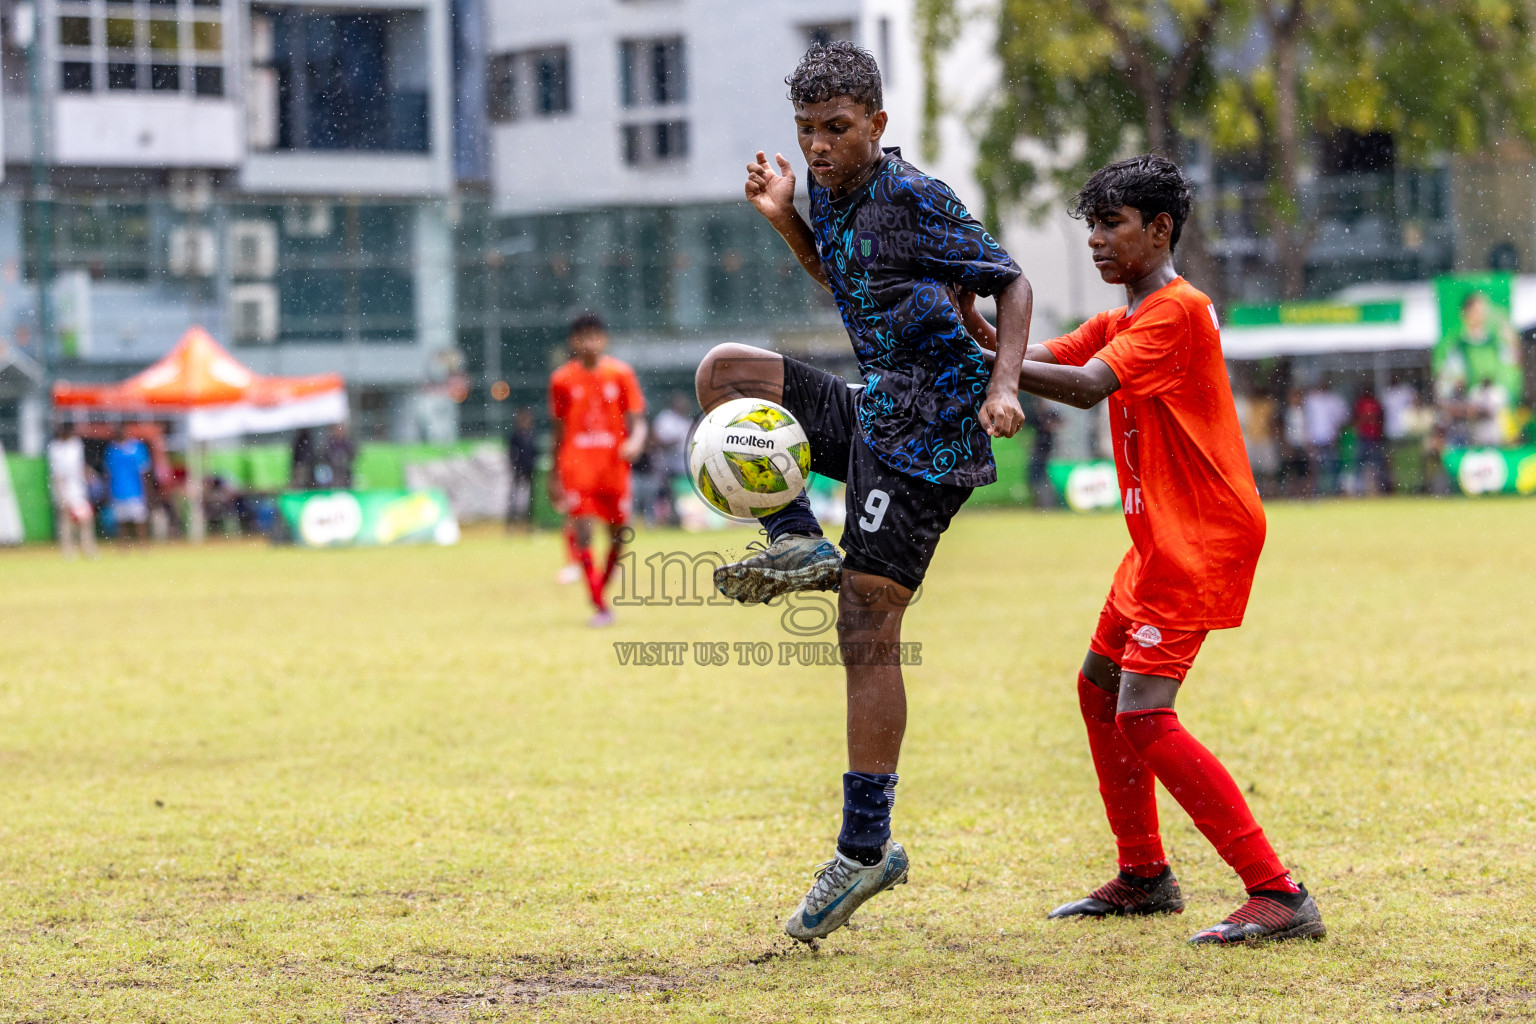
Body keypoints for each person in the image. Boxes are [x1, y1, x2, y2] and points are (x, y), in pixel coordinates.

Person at [693, 41, 1031, 943]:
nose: (819, 147)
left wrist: (1002, 387)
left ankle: (865, 847)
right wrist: (785, 217)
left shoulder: (914, 195)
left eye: (837, 129)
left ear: (878, 124)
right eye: (806, 131)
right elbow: (840, 278)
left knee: (865, 621)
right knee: (726, 373)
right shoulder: (829, 196)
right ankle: (794, 537)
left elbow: (1011, 281)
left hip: (935, 431)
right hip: (878, 410)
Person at [961, 155, 1322, 945]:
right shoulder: (1128, 317)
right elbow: (1044, 358)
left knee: (1146, 713)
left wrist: (998, 368)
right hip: (1160, 536)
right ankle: (1145, 874)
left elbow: (1086, 386)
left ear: (1160, 230)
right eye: (1090, 223)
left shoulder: (1176, 310)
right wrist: (970, 329)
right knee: (1099, 689)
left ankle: (1278, 891)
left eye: (1111, 223)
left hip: (1201, 536)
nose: (1094, 239)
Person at [548, 312, 647, 626]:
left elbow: (638, 421)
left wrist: (636, 442)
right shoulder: (561, 379)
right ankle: (600, 606)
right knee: (584, 533)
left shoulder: (621, 374)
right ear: (573, 341)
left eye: (594, 335)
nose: (589, 342)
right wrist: (554, 474)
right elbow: (557, 429)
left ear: (603, 339)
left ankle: (599, 592)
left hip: (613, 468)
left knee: (619, 536)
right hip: (578, 468)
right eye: (583, 336)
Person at [47, 423, 97, 558]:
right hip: (63, 487)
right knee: (66, 520)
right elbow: (57, 473)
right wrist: (62, 494)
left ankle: (88, 548)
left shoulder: (76, 445)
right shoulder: (55, 448)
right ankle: (68, 550)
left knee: (86, 518)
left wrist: (89, 476)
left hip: (78, 487)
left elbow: (80, 465)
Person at [104, 426, 152, 544]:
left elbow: (144, 472)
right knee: (121, 522)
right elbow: (108, 473)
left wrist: (148, 491)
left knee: (139, 521)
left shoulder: (137, 449)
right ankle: (123, 546)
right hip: (118, 491)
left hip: (135, 490)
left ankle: (142, 545)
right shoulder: (112, 450)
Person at [1304, 382, 1349, 495]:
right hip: (1315, 439)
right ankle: (1318, 492)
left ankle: (1332, 491)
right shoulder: (1311, 399)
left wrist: (1336, 431)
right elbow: (1307, 420)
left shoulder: (1334, 400)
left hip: (1330, 439)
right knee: (1316, 468)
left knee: (1331, 467)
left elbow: (1343, 418)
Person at [506, 407, 539, 532]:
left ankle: (529, 522)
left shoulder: (531, 434)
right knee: (514, 496)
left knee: (531, 497)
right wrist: (515, 465)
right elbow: (512, 453)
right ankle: (512, 523)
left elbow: (534, 451)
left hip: (529, 468)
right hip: (519, 468)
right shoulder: (516, 435)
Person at [1353, 388, 1388, 494]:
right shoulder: (1367, 404)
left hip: (1372, 437)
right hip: (1367, 437)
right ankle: (1367, 488)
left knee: (1372, 464)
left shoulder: (1369, 403)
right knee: (1367, 464)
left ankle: (1372, 488)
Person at [1279, 387, 1311, 497]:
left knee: (1304, 471)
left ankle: (1304, 493)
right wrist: (1286, 445)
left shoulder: (1304, 411)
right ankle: (1293, 494)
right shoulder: (1287, 412)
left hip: (1302, 444)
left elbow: (1307, 428)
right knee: (1291, 470)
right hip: (1291, 444)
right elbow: (1283, 429)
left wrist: (1308, 443)